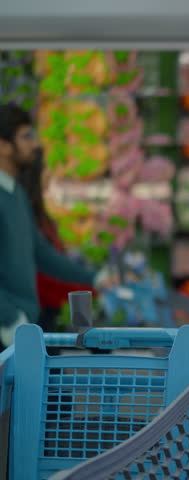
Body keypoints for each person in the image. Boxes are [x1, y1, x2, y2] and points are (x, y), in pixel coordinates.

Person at [0, 103, 109, 349]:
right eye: (26, 136)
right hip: (9, 328)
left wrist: (95, 277)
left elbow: (42, 253)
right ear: (3, 145)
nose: (35, 145)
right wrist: (8, 319)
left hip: (25, 323)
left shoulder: (16, 193)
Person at [17, 152, 95, 334]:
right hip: (39, 307)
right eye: (46, 173)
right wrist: (89, 283)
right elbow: (44, 262)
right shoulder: (28, 214)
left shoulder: (37, 213)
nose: (50, 179)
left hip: (46, 306)